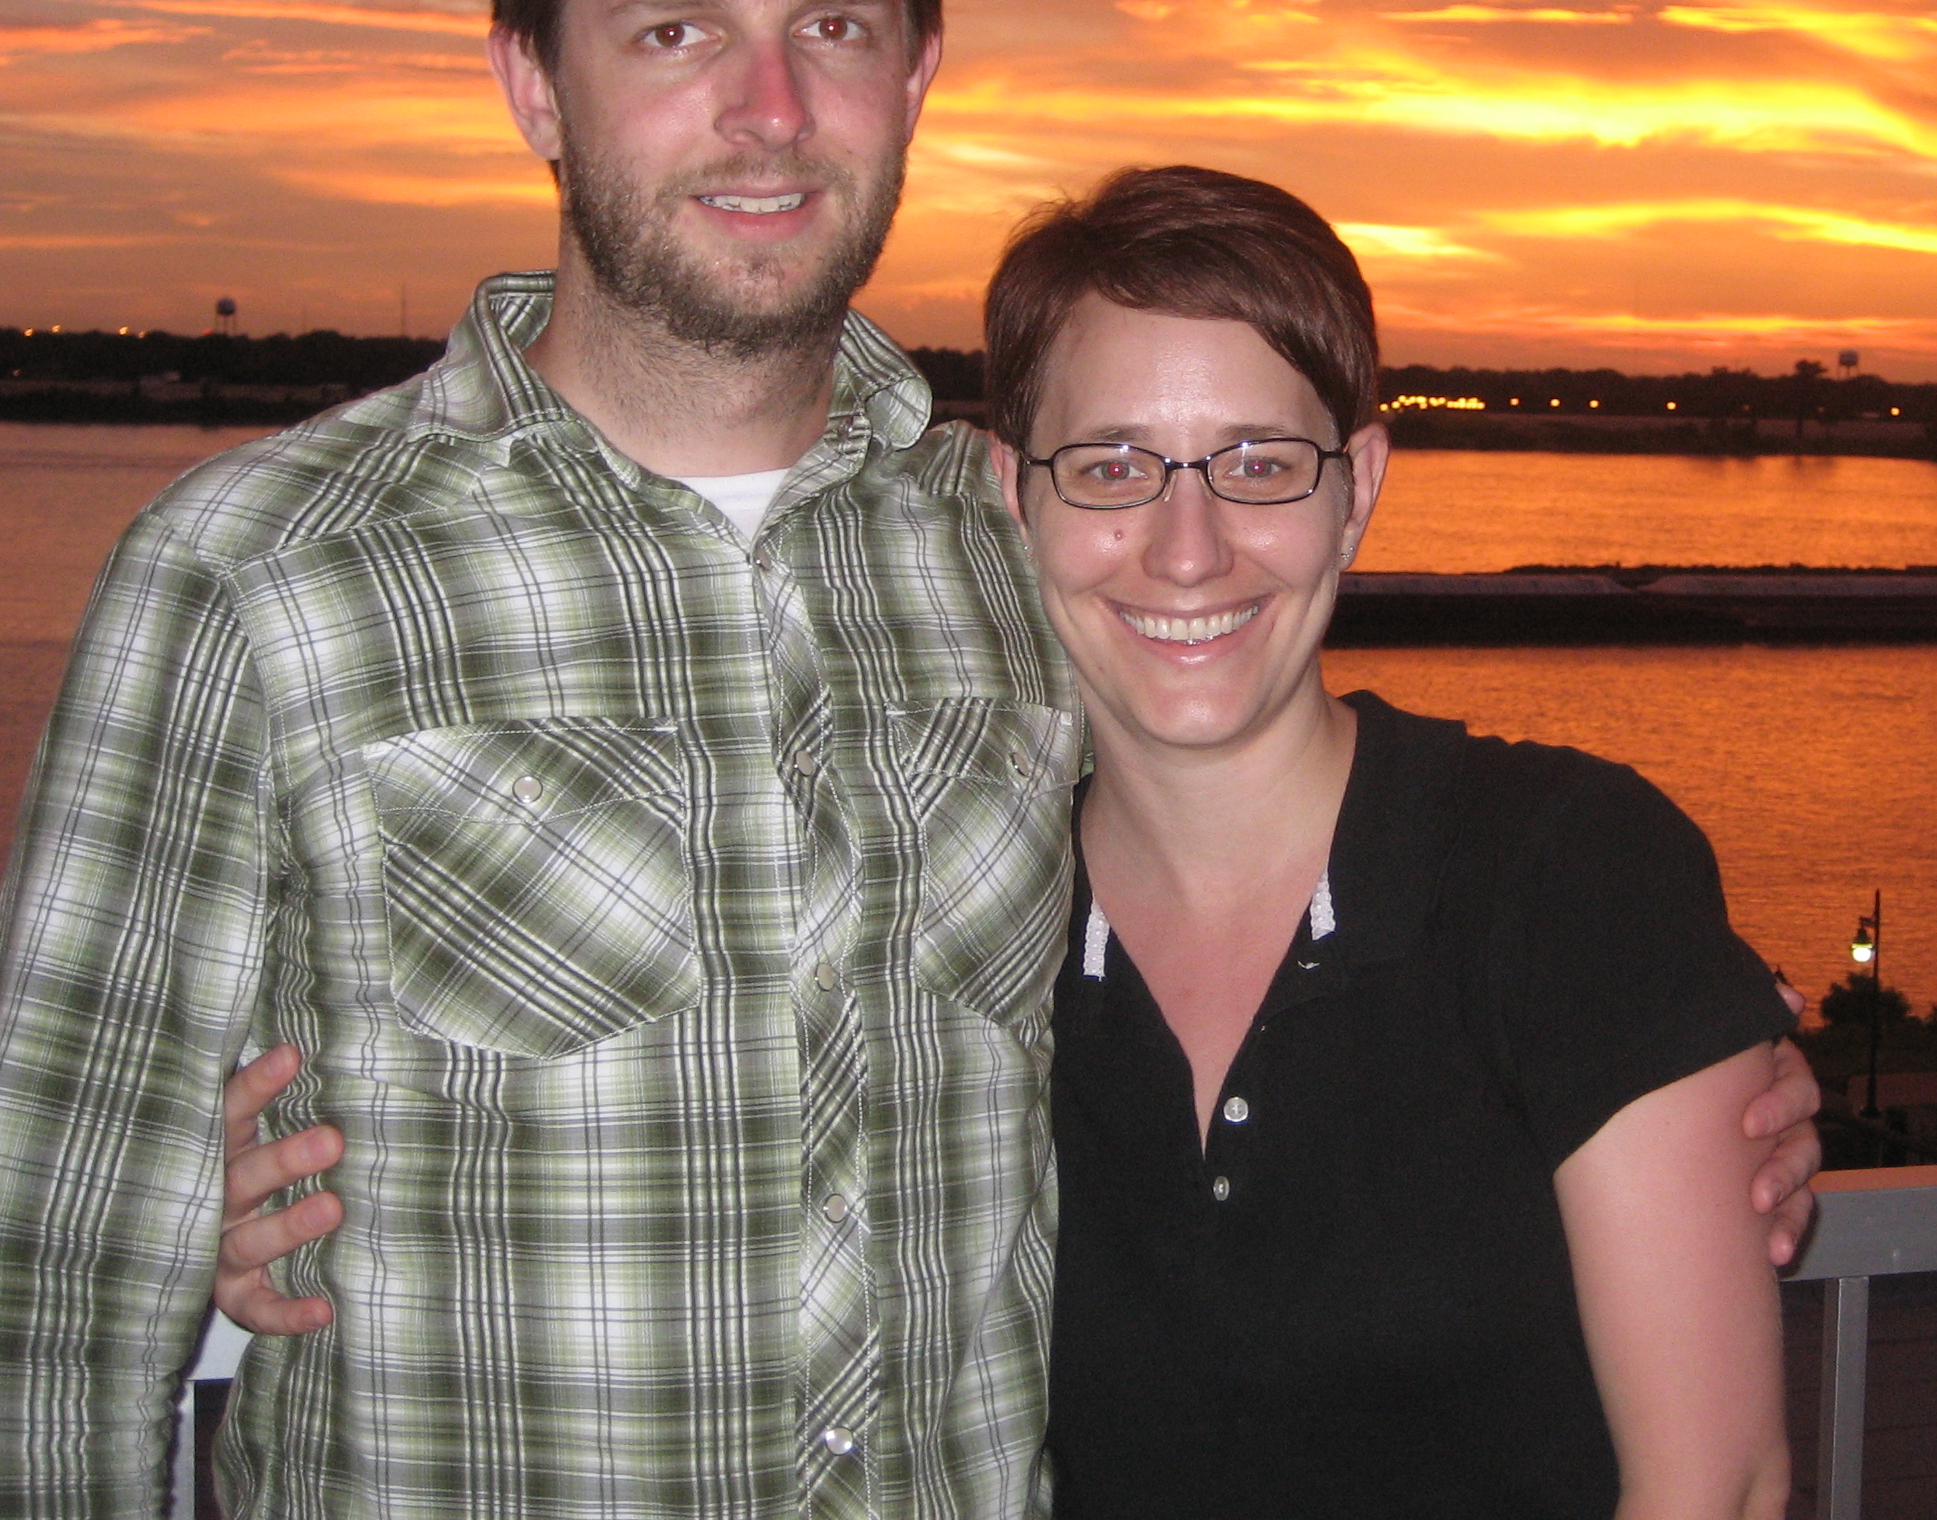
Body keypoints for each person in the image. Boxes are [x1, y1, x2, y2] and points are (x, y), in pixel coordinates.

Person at [0, 0, 1824, 1519]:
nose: (768, 110)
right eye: (675, 29)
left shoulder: (1000, 552)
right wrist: (207, 1215)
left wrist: (1660, 1051)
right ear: (533, 81)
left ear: (915, 74)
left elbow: (1275, 843)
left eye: (833, 26)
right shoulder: (261, 579)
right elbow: (53, 1319)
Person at [228, 166, 1804, 1518]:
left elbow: (1716, 1487)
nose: (1187, 548)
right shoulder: (959, 907)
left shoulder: (1559, 872)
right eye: (1110, 467)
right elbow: (674, 1158)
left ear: (1359, 487)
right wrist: (288, 1217)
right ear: (1010, 495)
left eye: (1260, 465)